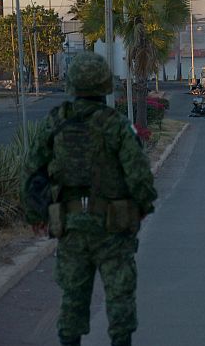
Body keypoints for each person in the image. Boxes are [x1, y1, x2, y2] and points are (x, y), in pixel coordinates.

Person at [21, 51, 157, 346]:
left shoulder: (56, 122)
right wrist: (143, 206)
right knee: (119, 298)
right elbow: (138, 174)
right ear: (105, 85)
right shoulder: (117, 124)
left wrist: (36, 215)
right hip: (113, 227)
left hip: (70, 226)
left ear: (72, 85)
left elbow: (33, 171)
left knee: (73, 299)